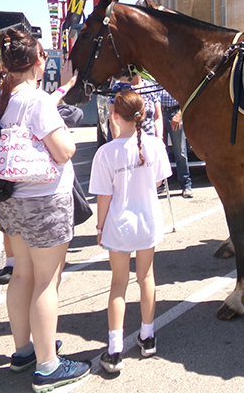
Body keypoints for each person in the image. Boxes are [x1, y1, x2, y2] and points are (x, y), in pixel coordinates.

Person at [0, 29, 91, 390]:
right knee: (48, 281)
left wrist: (61, 89)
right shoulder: (38, 102)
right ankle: (49, 366)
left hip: (12, 200)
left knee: (22, 275)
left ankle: (24, 351)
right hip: (45, 200)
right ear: (38, 61)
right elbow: (63, 151)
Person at [89, 91, 172, 373]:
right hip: (148, 221)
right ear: (143, 115)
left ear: (114, 116)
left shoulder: (106, 152)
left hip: (119, 225)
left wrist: (100, 227)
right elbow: (159, 181)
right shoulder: (155, 145)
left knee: (118, 284)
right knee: (146, 277)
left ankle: (114, 349)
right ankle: (147, 336)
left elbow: (103, 196)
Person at [109, 68, 162, 139]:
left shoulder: (150, 87)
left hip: (150, 140)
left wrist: (159, 139)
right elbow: (113, 118)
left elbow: (157, 117)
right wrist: (117, 142)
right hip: (125, 141)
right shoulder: (118, 88)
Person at [160, 88, 193, 198]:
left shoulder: (174, 76)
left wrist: (179, 115)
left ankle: (186, 185)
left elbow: (186, 97)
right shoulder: (154, 77)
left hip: (175, 113)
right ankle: (160, 184)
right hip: (159, 114)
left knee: (180, 152)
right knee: (159, 152)